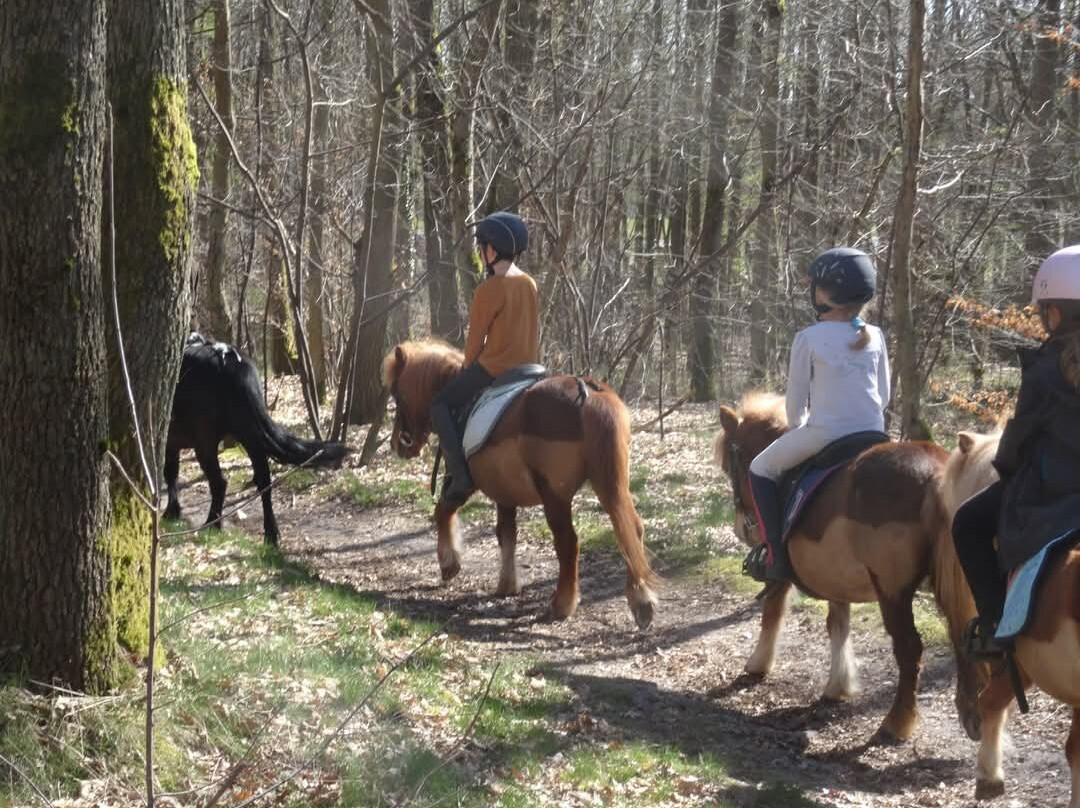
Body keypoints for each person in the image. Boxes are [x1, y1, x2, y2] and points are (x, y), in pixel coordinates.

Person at [953, 244, 1080, 660]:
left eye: (1046, 309)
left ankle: (993, 625)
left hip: (1056, 493)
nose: (1043, 317)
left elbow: (1019, 436)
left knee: (968, 523)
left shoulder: (1046, 366)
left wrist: (1005, 469)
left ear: (1058, 311)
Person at [743, 247, 891, 583]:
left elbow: (795, 410)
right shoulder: (877, 336)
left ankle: (775, 557)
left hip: (825, 434)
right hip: (874, 433)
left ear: (825, 293)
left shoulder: (808, 338)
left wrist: (801, 428)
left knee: (759, 469)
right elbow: (883, 397)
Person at [430, 211, 540, 509]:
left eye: (483, 247)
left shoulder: (489, 290)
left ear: (492, 249)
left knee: (439, 405)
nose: (481, 252)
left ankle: (462, 478)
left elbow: (473, 347)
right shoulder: (529, 283)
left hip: (495, 370)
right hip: (531, 371)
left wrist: (467, 367)